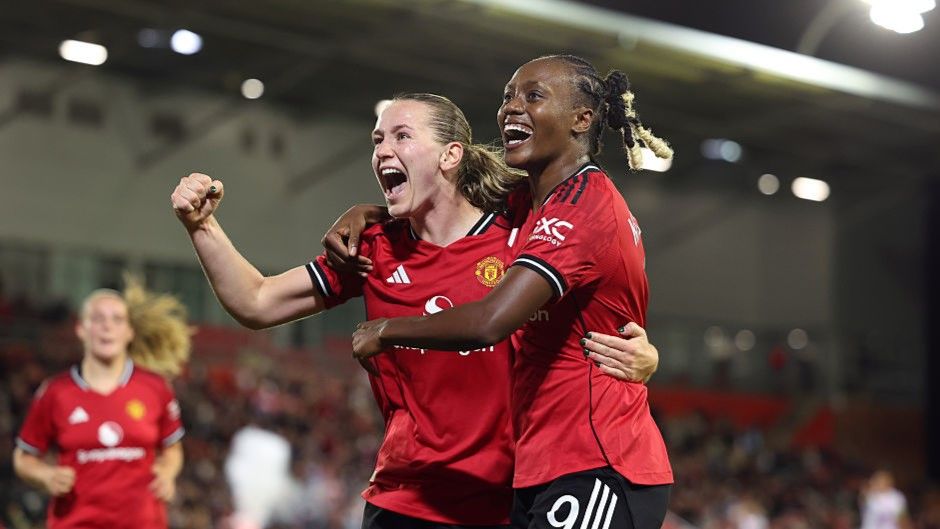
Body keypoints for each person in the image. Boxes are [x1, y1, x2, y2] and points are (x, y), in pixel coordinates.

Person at [170, 92, 660, 528]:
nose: (383, 149)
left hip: (513, 500)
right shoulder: (373, 249)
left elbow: (598, 283)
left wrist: (646, 352)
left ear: (451, 155)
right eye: (378, 139)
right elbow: (256, 301)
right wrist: (202, 228)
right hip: (408, 500)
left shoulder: (521, 225)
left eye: (402, 136)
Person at [351, 55, 674, 529]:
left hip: (599, 460)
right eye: (507, 98)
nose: (511, 108)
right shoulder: (527, 204)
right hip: (539, 467)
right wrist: (368, 212)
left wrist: (387, 329)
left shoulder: (583, 206)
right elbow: (442, 198)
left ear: (582, 119)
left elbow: (490, 321)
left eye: (533, 96)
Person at [13, 278, 190, 529]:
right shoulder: (55, 392)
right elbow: (24, 458)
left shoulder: (156, 388)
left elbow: (173, 449)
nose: (107, 326)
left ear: (129, 332)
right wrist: (46, 475)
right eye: (97, 319)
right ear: (81, 329)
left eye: (117, 320)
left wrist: (168, 473)